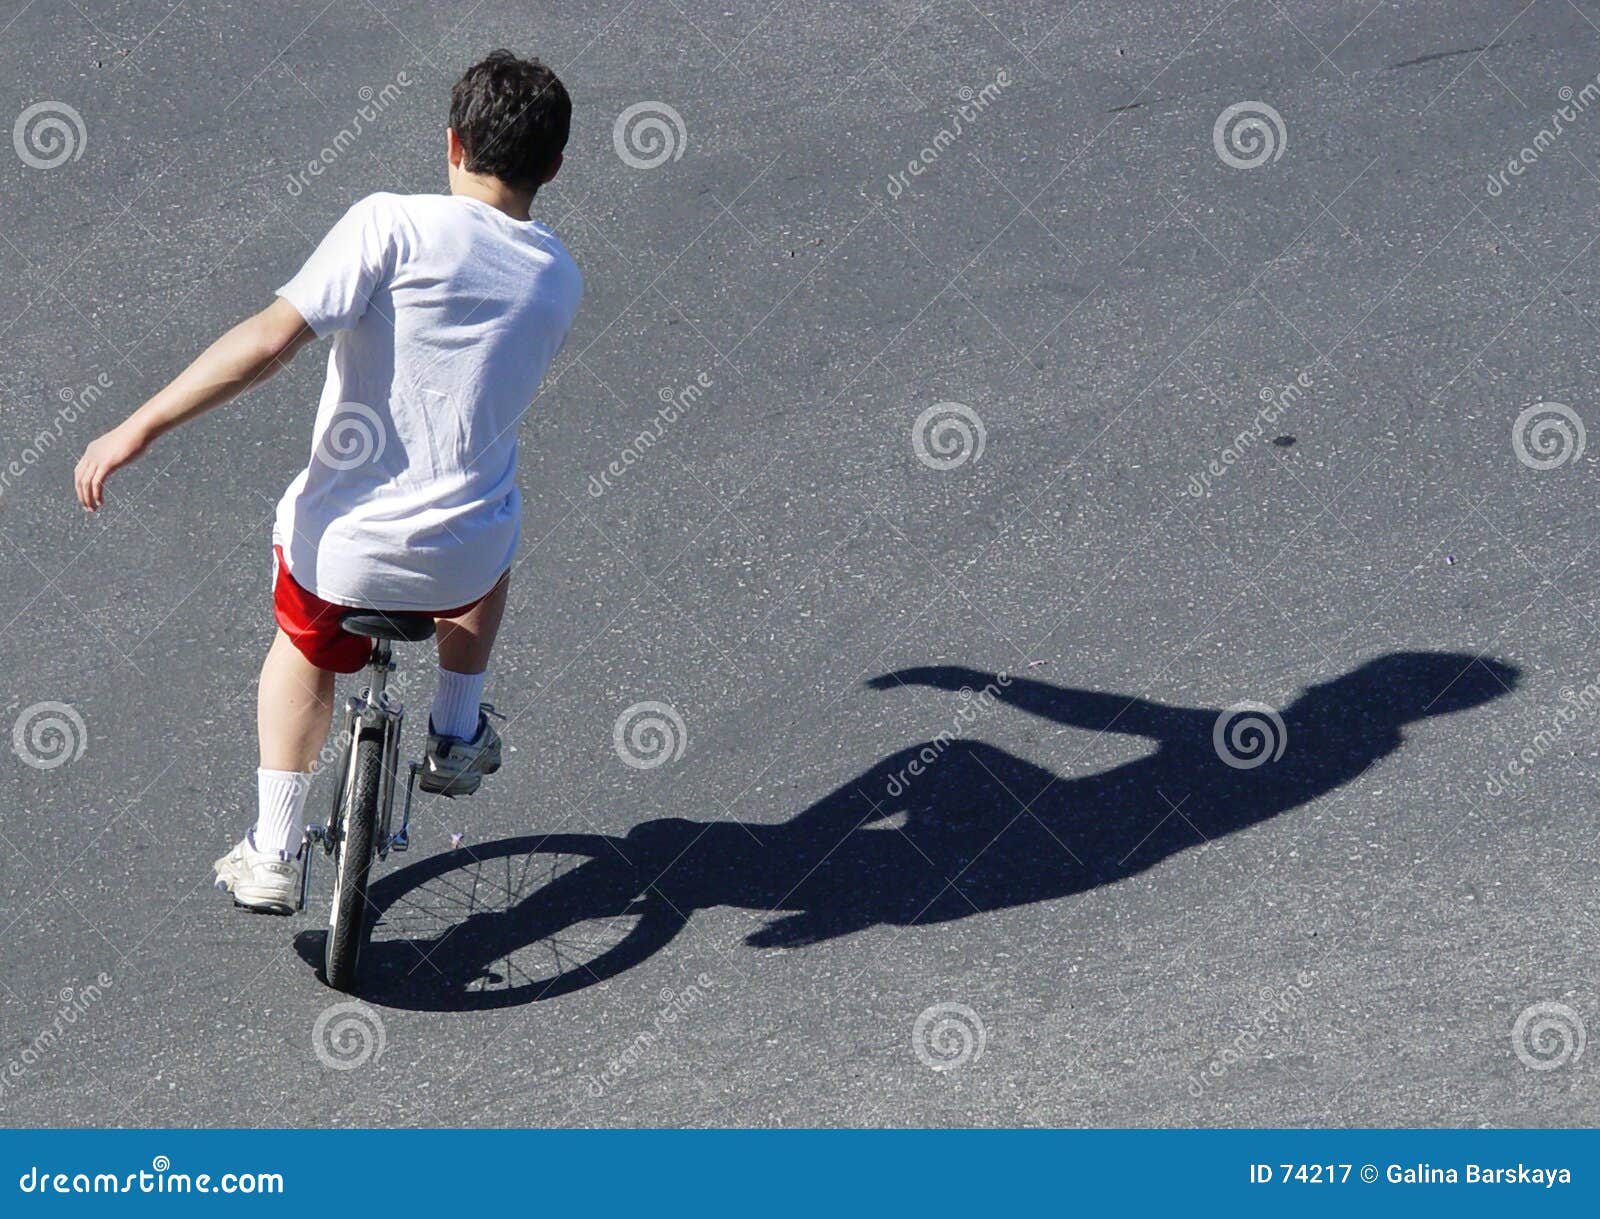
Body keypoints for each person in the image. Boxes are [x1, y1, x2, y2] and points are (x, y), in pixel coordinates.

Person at [71, 50, 582, 914]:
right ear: (555, 168)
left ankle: (273, 846)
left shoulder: (391, 224)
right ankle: (456, 732)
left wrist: (138, 425)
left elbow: (271, 343)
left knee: (304, 647)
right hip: (461, 561)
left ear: (452, 142)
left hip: (344, 554)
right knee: (496, 514)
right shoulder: (558, 274)